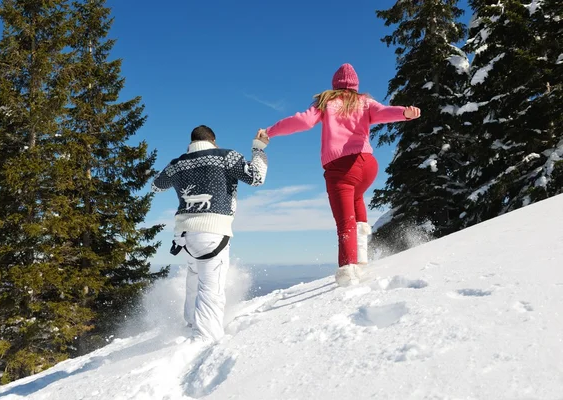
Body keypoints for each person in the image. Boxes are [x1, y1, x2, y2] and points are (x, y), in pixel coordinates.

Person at [259, 63, 420, 287]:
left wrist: (270, 131)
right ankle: (361, 256)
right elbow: (383, 112)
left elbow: (302, 121)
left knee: (345, 222)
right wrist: (404, 112)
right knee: (356, 199)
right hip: (367, 165)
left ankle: (347, 272)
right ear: (355, 86)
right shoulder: (365, 102)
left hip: (341, 169)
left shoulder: (327, 103)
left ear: (335, 84)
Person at [152, 125, 269, 342]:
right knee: (210, 287)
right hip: (212, 231)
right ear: (213, 140)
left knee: (194, 276)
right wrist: (258, 148)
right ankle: (205, 338)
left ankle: (190, 322)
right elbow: (256, 178)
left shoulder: (177, 164)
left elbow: (156, 186)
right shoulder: (225, 156)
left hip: (184, 235)